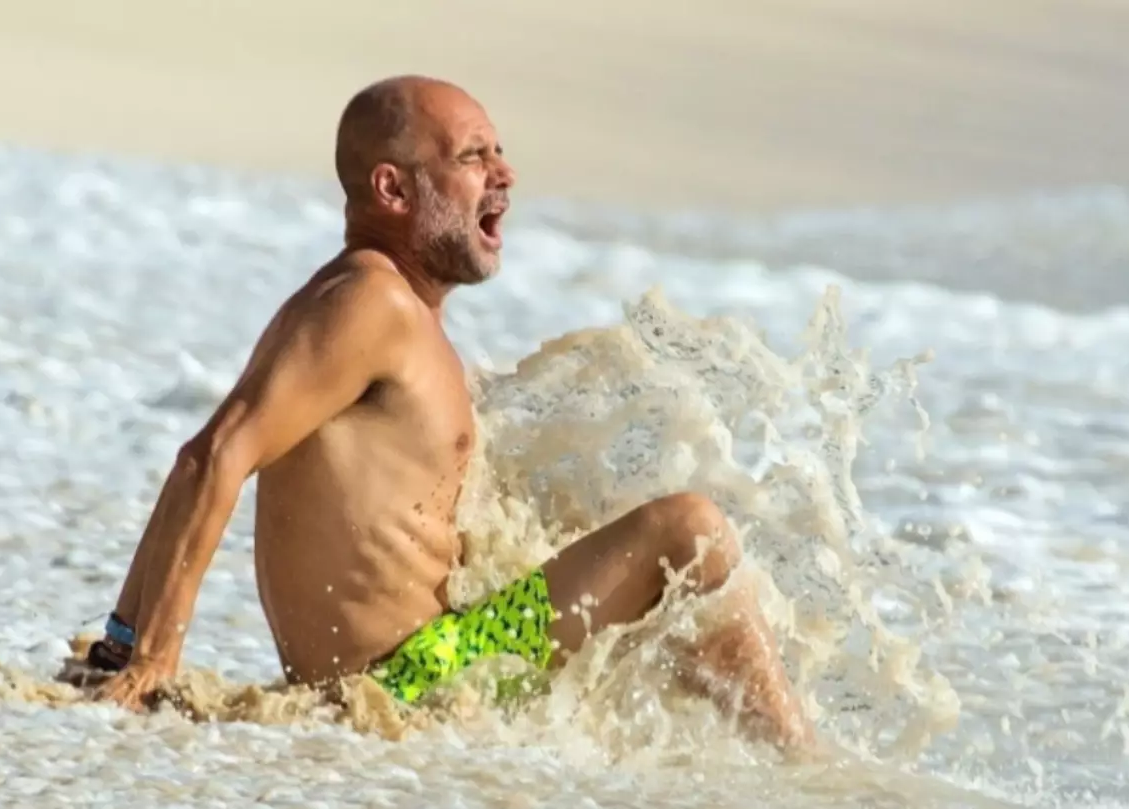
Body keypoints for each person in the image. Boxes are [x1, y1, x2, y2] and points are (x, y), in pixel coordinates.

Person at [86, 75, 814, 750]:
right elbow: (211, 456)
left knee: (628, 552)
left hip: (429, 667)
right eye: (473, 156)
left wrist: (118, 639)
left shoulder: (387, 308)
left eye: (499, 150)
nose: (505, 172)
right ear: (392, 189)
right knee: (688, 531)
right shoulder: (371, 304)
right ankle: (803, 770)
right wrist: (154, 657)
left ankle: (724, 769)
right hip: (413, 682)